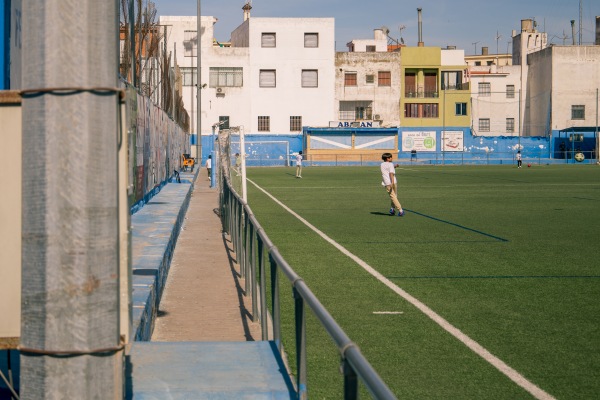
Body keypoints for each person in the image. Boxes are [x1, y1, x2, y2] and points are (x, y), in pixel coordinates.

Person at [380, 152, 404, 217]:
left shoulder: (382, 164)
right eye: (391, 157)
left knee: (393, 196)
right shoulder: (390, 164)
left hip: (388, 183)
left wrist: (394, 166)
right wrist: (392, 182)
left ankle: (395, 209)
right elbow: (391, 173)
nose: (391, 158)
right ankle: (398, 210)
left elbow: (388, 168)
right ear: (388, 158)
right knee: (394, 196)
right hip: (391, 182)